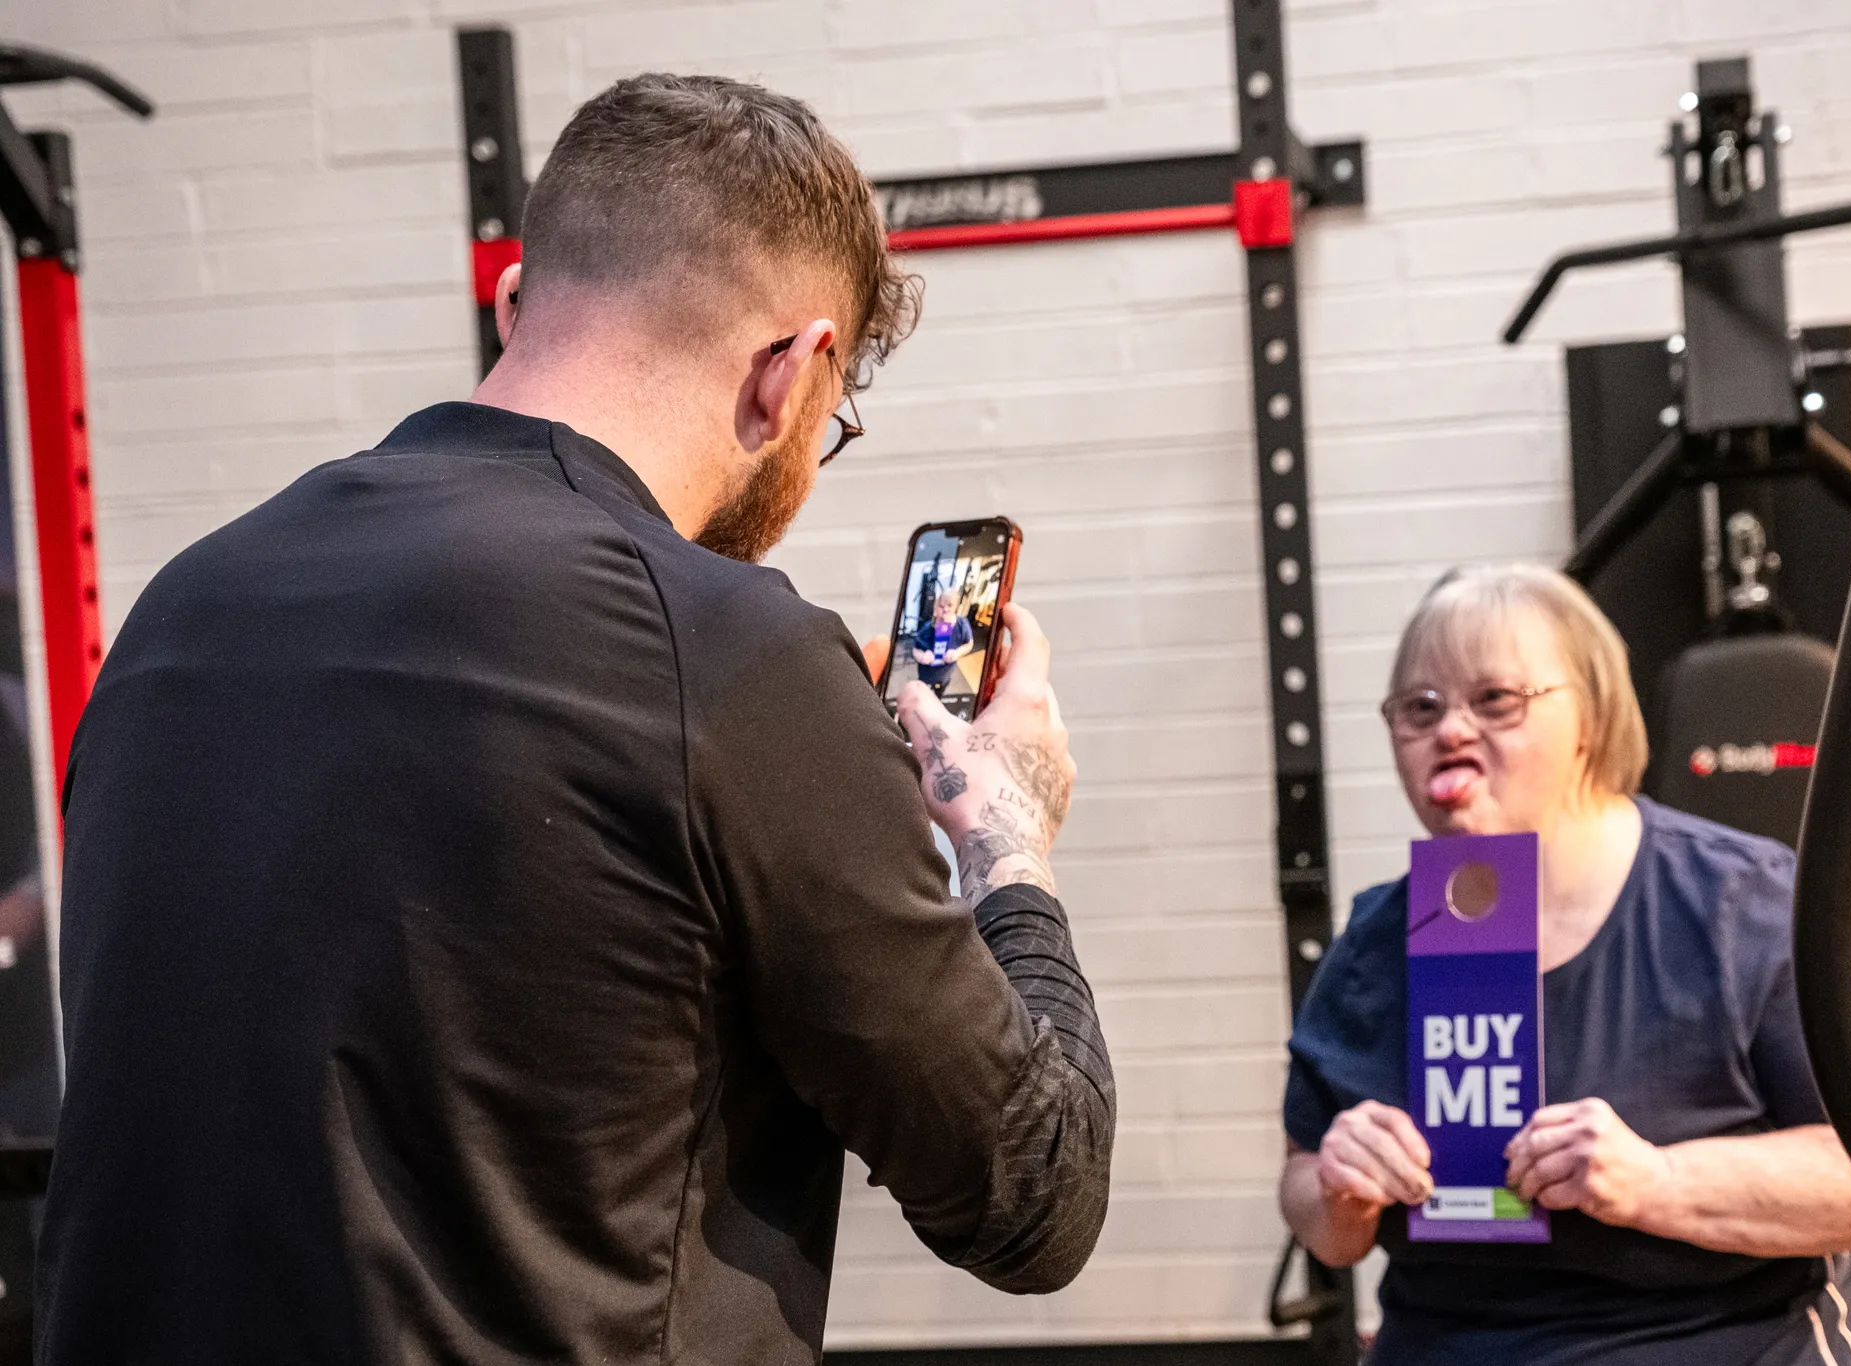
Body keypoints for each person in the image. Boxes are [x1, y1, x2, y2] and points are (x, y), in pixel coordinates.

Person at [38, 75, 1114, 1364]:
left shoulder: (180, 609)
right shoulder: (735, 654)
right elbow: (1033, 1193)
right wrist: (1005, 833)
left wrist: (796, 761)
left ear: (512, 303)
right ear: (790, 372)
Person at [1281, 564, 1851, 1365]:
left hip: (1732, 1338)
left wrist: (1657, 1181)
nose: (1450, 730)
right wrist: (1339, 1187)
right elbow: (1312, 1205)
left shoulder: (1742, 903)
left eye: (1495, 700)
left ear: (1590, 716)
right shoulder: (1375, 942)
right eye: (1421, 708)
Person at [914, 588, 975, 692]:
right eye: (942, 606)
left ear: (956, 606)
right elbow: (915, 649)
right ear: (936, 607)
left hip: (945, 676)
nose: (945, 609)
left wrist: (957, 653)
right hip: (926, 676)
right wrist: (922, 657)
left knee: (940, 694)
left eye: (950, 605)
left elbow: (969, 644)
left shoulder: (962, 624)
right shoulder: (927, 628)